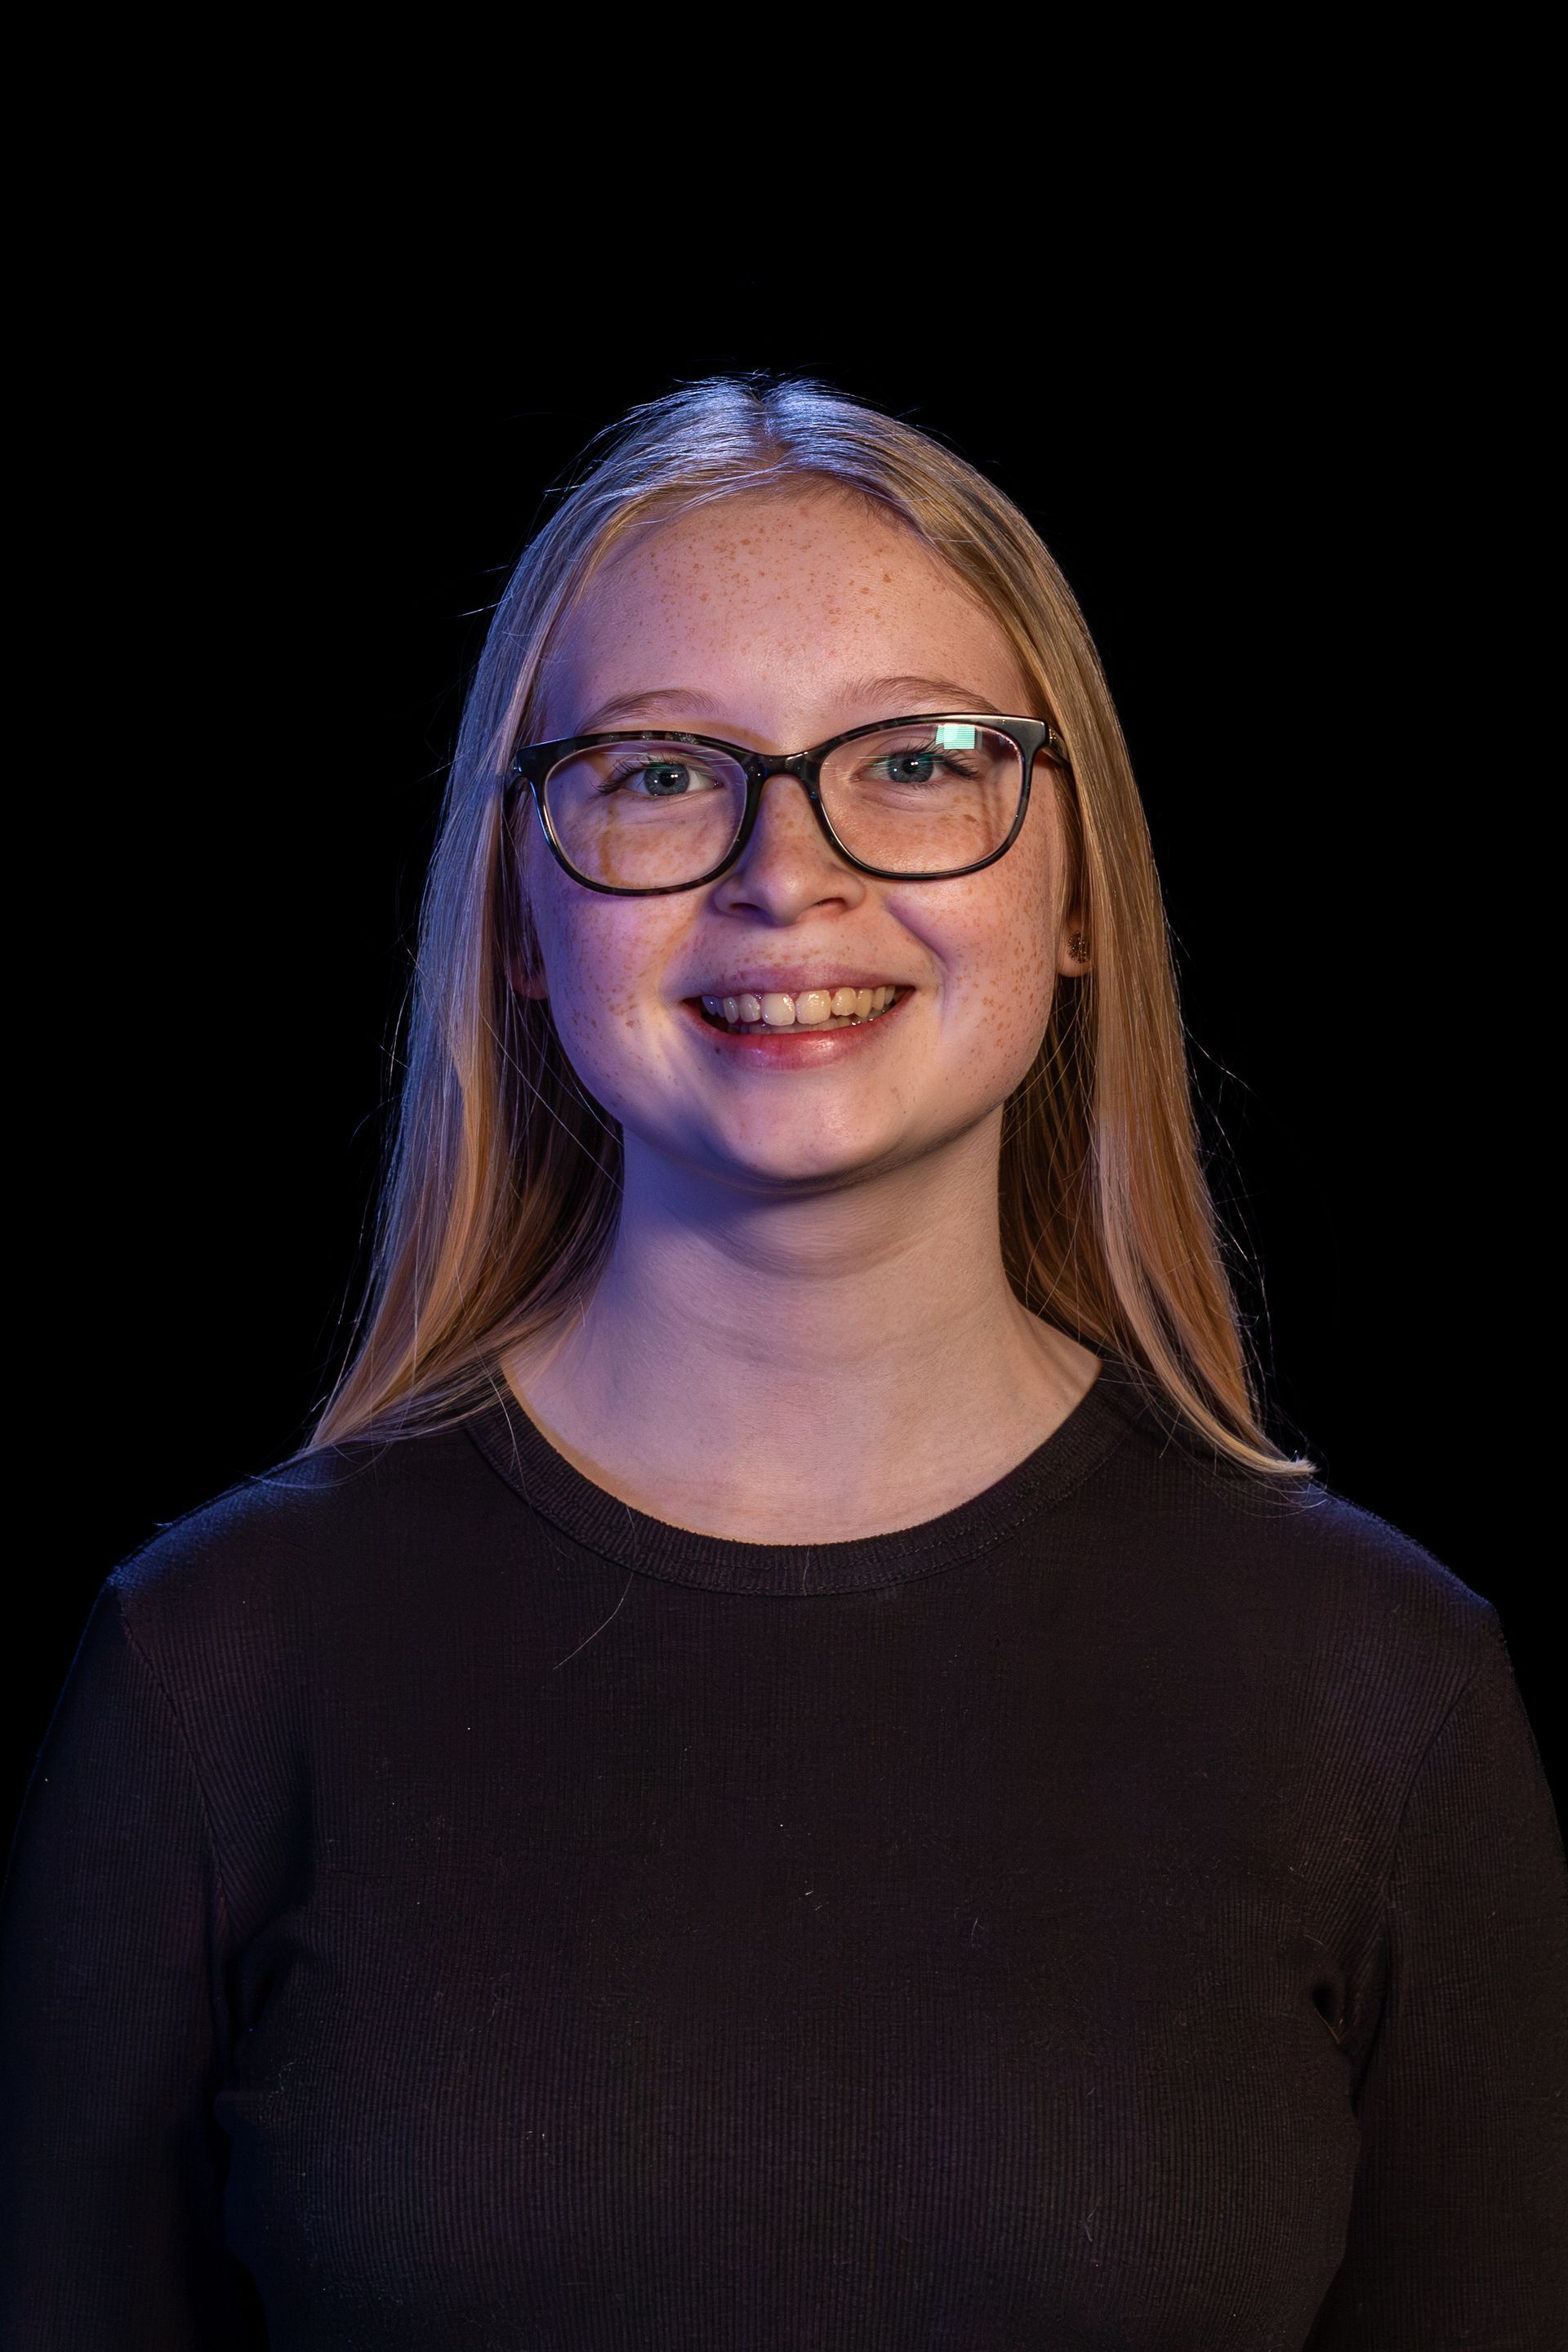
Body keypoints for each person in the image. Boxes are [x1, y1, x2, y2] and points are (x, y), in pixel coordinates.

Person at [2, 377, 1563, 2348]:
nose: (787, 871)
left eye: (915, 760)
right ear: (517, 906)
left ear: (1076, 886)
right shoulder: (210, 1676)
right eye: (661, 772)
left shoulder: (1387, 1697)